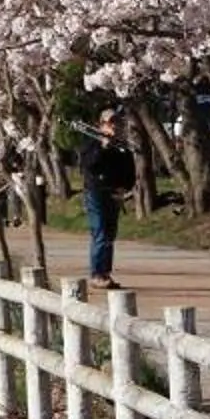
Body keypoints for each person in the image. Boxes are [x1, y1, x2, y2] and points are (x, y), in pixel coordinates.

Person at [81, 108, 136, 289]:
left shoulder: (122, 147)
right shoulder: (92, 143)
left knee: (110, 235)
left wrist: (125, 187)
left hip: (114, 193)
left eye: (116, 122)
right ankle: (97, 273)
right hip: (96, 192)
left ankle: (105, 273)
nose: (114, 125)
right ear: (101, 124)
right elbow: (89, 166)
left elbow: (130, 171)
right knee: (101, 232)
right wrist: (102, 146)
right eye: (109, 122)